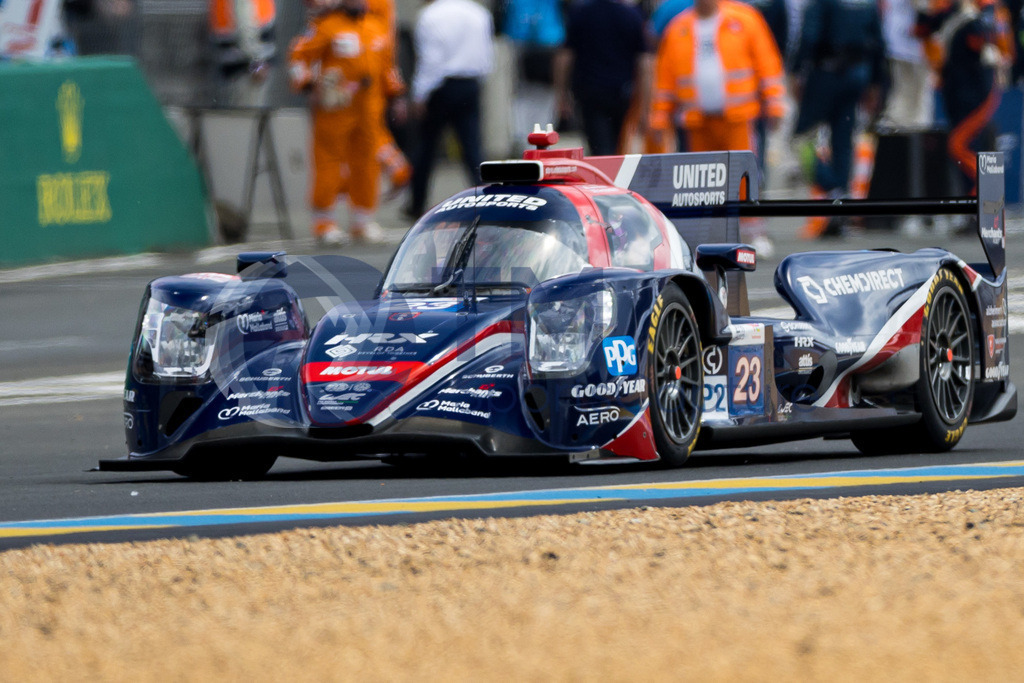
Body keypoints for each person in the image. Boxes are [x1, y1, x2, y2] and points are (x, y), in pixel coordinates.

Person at [649, 0, 786, 255]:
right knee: (700, 183)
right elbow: (665, 79)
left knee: (744, 177)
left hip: (738, 119)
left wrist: (775, 104)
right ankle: (706, 235)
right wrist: (660, 118)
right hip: (697, 121)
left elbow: (767, 63)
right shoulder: (679, 28)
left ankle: (753, 233)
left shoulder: (745, 19)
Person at [288, 0, 397, 245]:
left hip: (369, 109)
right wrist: (307, 84)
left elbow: (387, 66)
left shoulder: (376, 25)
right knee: (328, 163)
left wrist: (396, 94)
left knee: (367, 163)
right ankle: (324, 223)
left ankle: (362, 221)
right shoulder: (326, 25)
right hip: (335, 109)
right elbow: (299, 56)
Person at [791, 0, 888, 236]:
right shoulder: (866, 3)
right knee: (843, 141)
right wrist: (876, 82)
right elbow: (878, 43)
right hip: (857, 75)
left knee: (800, 140)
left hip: (825, 74)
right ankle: (841, 205)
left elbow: (810, 36)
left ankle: (832, 187)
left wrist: (796, 71)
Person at [403, 0, 493, 219]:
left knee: (426, 146)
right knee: (472, 146)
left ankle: (417, 203)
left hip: (441, 86)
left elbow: (431, 60)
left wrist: (419, 95)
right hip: (470, 82)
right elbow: (487, 55)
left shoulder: (431, 15)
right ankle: (486, 198)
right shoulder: (478, 12)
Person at [916, 0, 1012, 199]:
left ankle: (986, 194)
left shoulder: (985, 15)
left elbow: (995, 45)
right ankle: (974, 203)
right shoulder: (951, 13)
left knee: (958, 146)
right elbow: (921, 29)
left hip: (977, 94)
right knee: (962, 148)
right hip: (957, 93)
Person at [553, 0, 652, 156]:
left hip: (590, 93)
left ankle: (604, 175)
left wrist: (562, 95)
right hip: (622, 93)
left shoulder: (580, 13)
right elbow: (645, 64)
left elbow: (565, 58)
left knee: (600, 147)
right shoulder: (632, 15)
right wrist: (646, 107)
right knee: (619, 147)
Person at [208, 0, 277, 107]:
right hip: (245, 71)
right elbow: (245, 27)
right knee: (246, 116)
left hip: (237, 66)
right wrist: (256, 64)